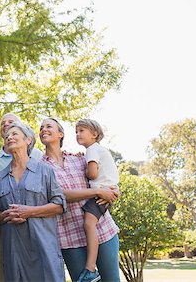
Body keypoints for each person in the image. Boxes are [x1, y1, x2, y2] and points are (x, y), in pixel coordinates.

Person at [39, 118, 121, 282]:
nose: (43, 130)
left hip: (102, 230)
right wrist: (97, 191)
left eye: (48, 126)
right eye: (41, 128)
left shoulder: (79, 158)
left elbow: (103, 177)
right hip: (69, 237)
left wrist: (114, 189)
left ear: (61, 134)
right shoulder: (39, 168)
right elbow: (59, 195)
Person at [0, 122, 67, 282]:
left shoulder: (45, 171)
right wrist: (5, 216)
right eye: (7, 136)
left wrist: (29, 212)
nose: (9, 137)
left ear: (28, 140)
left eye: (14, 134)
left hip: (44, 249)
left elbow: (59, 205)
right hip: (13, 254)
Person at [0, 113, 43, 282]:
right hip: (4, 223)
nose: (6, 125)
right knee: (4, 264)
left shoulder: (38, 156)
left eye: (11, 123)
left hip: (36, 221)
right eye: (3, 124)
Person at [75, 119, 120, 282]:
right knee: (90, 223)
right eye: (76, 131)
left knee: (89, 224)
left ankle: (90, 268)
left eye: (82, 130)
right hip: (107, 190)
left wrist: (85, 170)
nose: (78, 134)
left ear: (94, 134)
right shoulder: (98, 150)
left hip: (102, 192)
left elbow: (93, 174)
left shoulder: (92, 150)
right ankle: (92, 266)